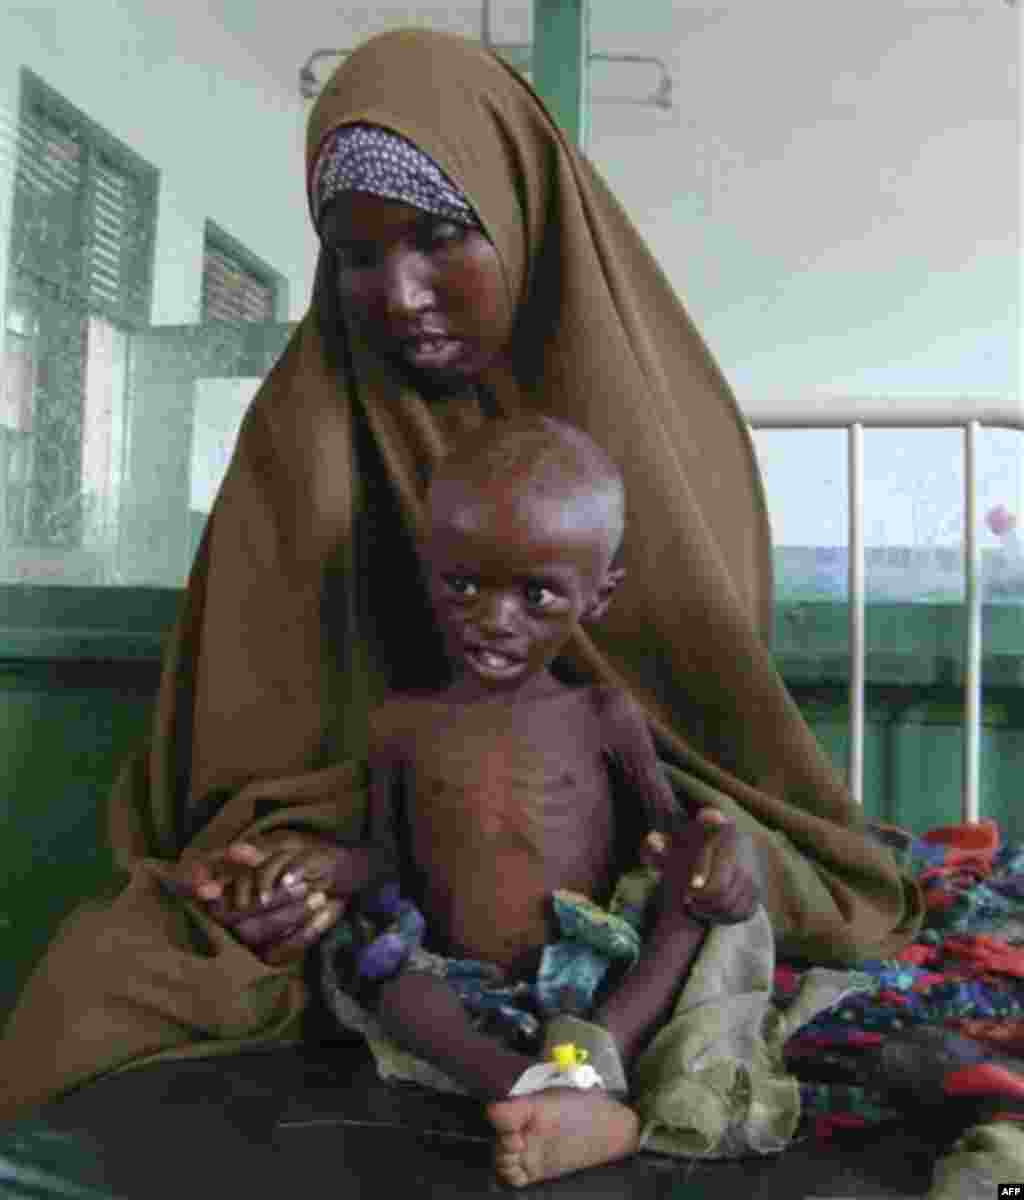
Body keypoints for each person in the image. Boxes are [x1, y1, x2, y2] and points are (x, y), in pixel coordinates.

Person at [0, 27, 922, 1136]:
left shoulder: (663, 438)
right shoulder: (305, 429)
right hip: (388, 867)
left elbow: (700, 757)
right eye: (354, 254)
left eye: (441, 239)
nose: (398, 293)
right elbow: (259, 759)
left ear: (522, 214)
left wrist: (704, 851)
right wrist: (286, 862)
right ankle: (534, 1093)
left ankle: (573, 1076)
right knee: (101, 983)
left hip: (608, 869)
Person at [216, 414, 763, 1185]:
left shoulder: (603, 717)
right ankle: (543, 1092)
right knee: (385, 976)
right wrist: (318, 868)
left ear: (599, 595)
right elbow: (386, 862)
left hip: (598, 976)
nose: (493, 619)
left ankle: (591, 1067)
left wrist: (719, 859)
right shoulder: (403, 725)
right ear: (427, 566)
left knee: (693, 910)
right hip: (464, 981)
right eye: (463, 583)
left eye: (537, 594)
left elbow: (669, 842)